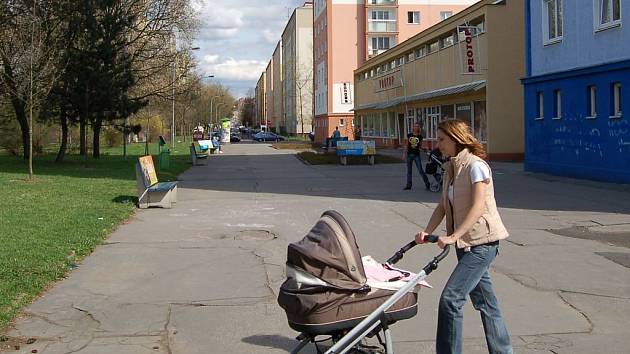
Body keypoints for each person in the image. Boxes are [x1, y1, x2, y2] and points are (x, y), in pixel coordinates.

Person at [415, 119, 512, 354]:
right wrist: (427, 232)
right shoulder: (451, 167)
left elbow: (478, 207)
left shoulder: (475, 166)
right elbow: (442, 207)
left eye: (441, 140)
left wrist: (453, 235)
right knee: (487, 303)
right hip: (465, 244)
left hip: (482, 243)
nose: (438, 145)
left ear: (456, 138)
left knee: (451, 299)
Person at [403, 123, 430, 190]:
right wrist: (404, 154)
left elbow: (420, 146)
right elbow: (406, 145)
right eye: (415, 126)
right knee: (409, 171)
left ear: (419, 128)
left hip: (416, 155)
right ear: (413, 127)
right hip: (409, 155)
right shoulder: (409, 135)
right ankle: (408, 185)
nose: (416, 127)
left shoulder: (420, 137)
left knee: (420, 170)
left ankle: (427, 183)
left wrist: (424, 148)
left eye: (417, 126)